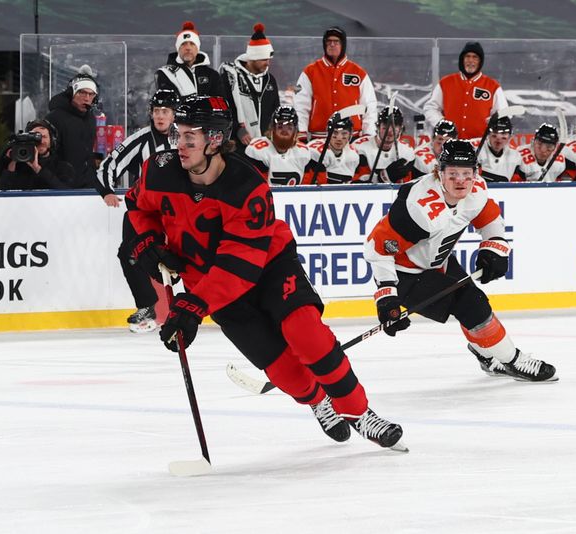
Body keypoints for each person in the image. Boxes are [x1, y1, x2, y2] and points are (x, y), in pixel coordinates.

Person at [126, 95, 405, 449]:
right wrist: (148, 242)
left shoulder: (247, 186)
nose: (179, 145)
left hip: (267, 267)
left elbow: (238, 262)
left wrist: (193, 306)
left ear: (213, 139)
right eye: (177, 136)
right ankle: (319, 402)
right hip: (208, 284)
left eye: (189, 137)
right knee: (283, 370)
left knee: (306, 333)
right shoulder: (159, 170)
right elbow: (137, 206)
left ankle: (358, 412)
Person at [363, 139, 558, 382]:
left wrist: (494, 244)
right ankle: (513, 361)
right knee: (473, 306)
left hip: (440, 261)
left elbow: (489, 218)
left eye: (467, 173)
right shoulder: (418, 208)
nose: (460, 181)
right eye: (453, 173)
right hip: (405, 274)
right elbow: (377, 248)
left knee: (474, 306)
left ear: (476, 173)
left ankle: (487, 354)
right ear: (439, 172)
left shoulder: (476, 190)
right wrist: (387, 296)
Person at [96, 89, 180, 333]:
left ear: (174, 114)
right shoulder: (140, 139)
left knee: (191, 253)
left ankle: (213, 302)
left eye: (165, 111)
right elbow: (110, 164)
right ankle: (146, 307)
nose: (160, 116)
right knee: (128, 254)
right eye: (156, 111)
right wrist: (107, 191)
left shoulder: (186, 136)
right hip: (144, 211)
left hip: (178, 211)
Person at [293, 27, 377, 139]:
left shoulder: (358, 72)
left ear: (343, 45)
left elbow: (369, 106)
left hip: (351, 137)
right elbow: (301, 104)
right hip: (320, 136)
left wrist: (369, 134)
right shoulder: (310, 71)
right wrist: (301, 133)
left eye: (336, 41)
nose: (332, 44)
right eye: (329, 41)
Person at [423, 42, 508, 140]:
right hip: (450, 142)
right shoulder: (446, 82)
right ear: (462, 60)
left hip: (479, 144)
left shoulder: (493, 86)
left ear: (481, 61)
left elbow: (504, 114)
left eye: (475, 57)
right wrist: (441, 123)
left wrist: (493, 124)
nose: (471, 60)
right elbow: (430, 108)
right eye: (467, 56)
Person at [219, 23, 280, 151]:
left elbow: (276, 110)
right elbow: (224, 108)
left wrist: (272, 131)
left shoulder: (270, 80)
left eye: (269, 59)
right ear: (252, 58)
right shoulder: (231, 78)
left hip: (265, 144)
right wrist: (237, 129)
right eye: (264, 59)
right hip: (238, 144)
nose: (268, 63)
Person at [46, 67, 100, 190]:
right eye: (82, 92)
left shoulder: (90, 117)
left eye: (90, 94)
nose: (86, 98)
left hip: (88, 186)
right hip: (62, 188)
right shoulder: (54, 118)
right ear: (71, 93)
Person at [244, 105, 314, 185]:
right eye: (280, 126)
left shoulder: (303, 153)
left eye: (289, 127)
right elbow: (257, 186)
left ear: (295, 131)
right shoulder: (258, 151)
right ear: (272, 128)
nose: (284, 131)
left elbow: (307, 190)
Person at [0, 119, 76, 190]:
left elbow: (65, 193)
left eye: (44, 137)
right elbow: (5, 193)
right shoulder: (20, 167)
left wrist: (37, 168)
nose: (40, 141)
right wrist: (13, 158)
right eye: (35, 137)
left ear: (52, 141)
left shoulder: (63, 168)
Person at [156, 21, 225, 98]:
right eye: (183, 44)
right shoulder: (166, 74)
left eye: (192, 44)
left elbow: (220, 102)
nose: (188, 48)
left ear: (197, 48)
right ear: (178, 48)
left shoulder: (212, 75)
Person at [352, 106, 415, 183]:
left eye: (394, 128)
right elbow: (356, 185)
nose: (389, 133)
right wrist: (383, 177)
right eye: (385, 128)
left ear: (401, 129)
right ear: (378, 127)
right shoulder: (359, 147)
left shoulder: (406, 151)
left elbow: (405, 186)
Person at [304, 113, 360, 184]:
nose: (339, 138)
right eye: (335, 132)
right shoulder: (316, 151)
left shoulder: (353, 155)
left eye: (344, 133)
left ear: (350, 134)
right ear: (328, 132)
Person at [475, 115, 521, 182]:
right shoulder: (476, 149)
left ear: (510, 137)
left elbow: (516, 183)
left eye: (503, 135)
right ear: (489, 135)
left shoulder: (515, 155)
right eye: (495, 135)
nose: (499, 140)